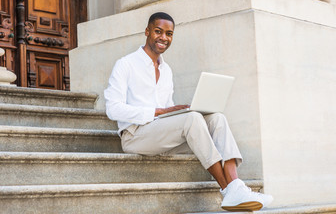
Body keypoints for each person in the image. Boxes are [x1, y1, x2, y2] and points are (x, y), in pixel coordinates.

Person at [104, 12, 273, 212]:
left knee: (216, 118)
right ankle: (228, 190)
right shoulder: (125, 64)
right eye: (158, 31)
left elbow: (168, 112)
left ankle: (236, 184)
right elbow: (112, 108)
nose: (164, 38)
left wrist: (177, 111)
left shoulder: (166, 70)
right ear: (147, 31)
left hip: (161, 135)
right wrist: (160, 112)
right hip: (135, 136)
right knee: (192, 119)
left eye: (169, 34)